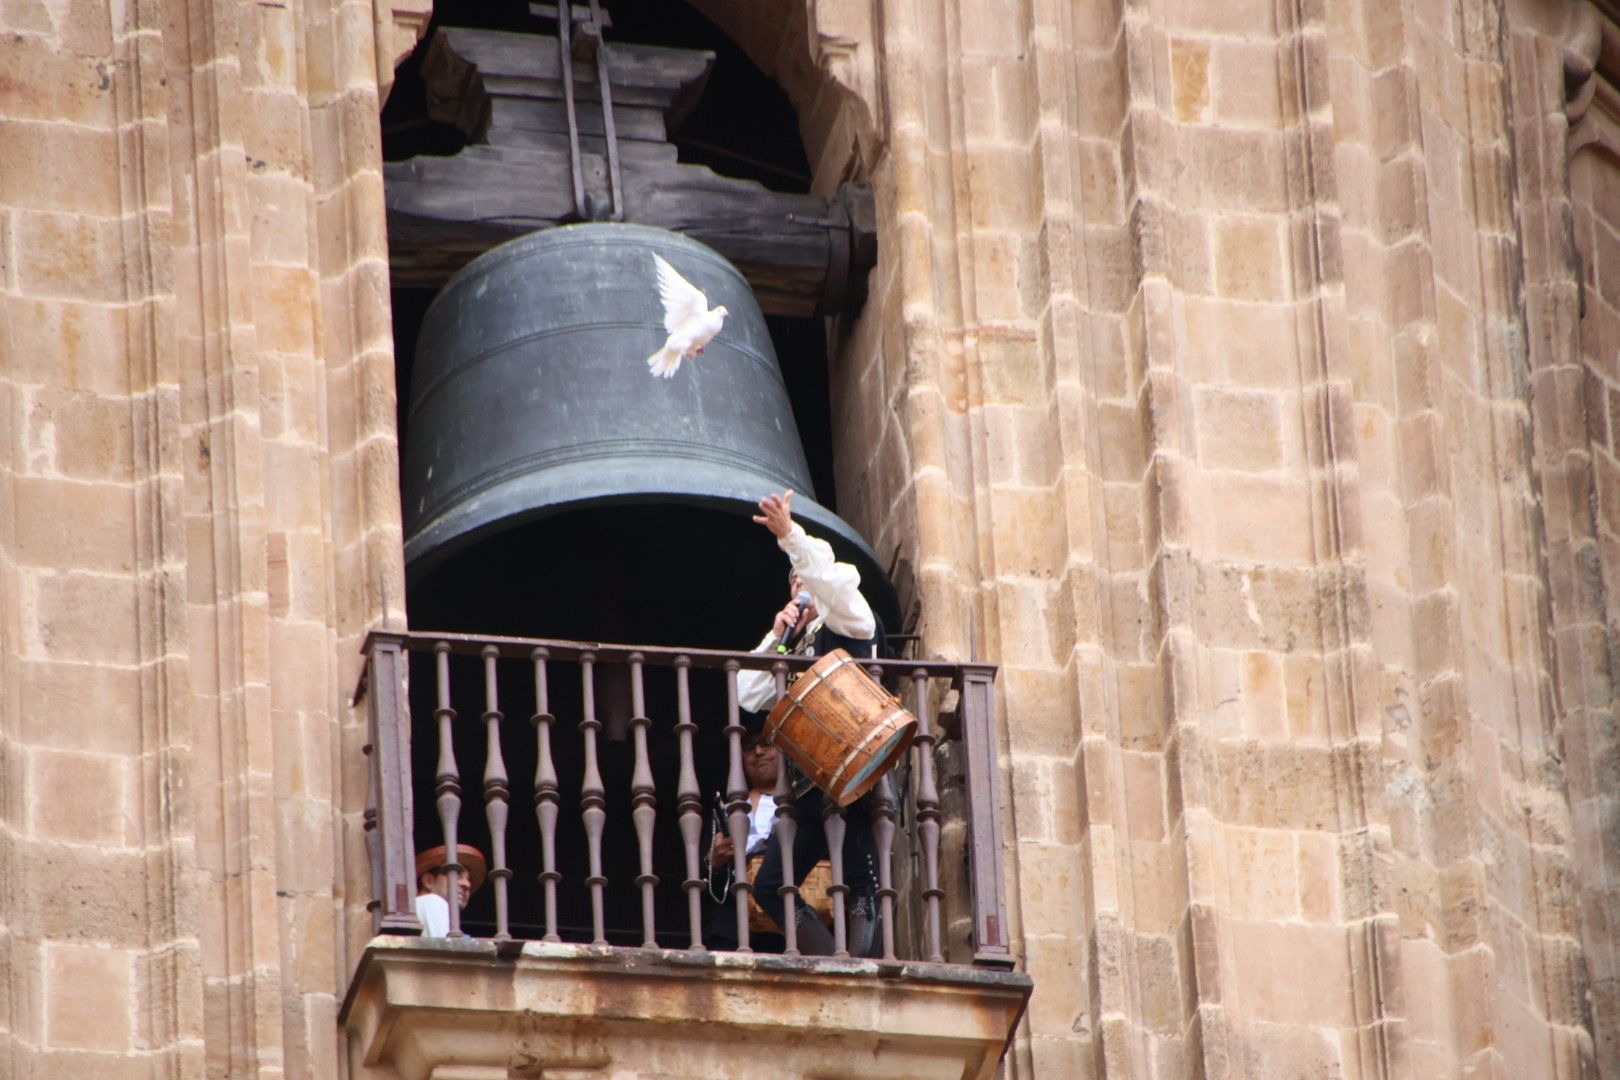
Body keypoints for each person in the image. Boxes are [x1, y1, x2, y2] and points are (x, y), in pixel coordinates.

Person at [734, 490, 884, 957]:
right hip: (808, 784)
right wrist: (776, 639)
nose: (800, 589)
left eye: (806, 581)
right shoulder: (793, 642)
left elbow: (830, 582)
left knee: (861, 881)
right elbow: (748, 694)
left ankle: (856, 970)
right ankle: (830, 963)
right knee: (771, 886)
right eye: (793, 584)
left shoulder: (852, 618)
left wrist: (790, 537)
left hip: (856, 764)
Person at [704, 731, 784, 951]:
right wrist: (715, 862)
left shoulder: (801, 804)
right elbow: (706, 879)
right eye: (749, 748)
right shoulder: (726, 809)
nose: (758, 752)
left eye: (766, 744)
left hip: (785, 927)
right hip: (732, 929)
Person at [413, 843, 487, 938]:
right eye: (456, 875)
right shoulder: (430, 901)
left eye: (469, 880)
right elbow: (447, 949)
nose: (467, 884)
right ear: (428, 881)